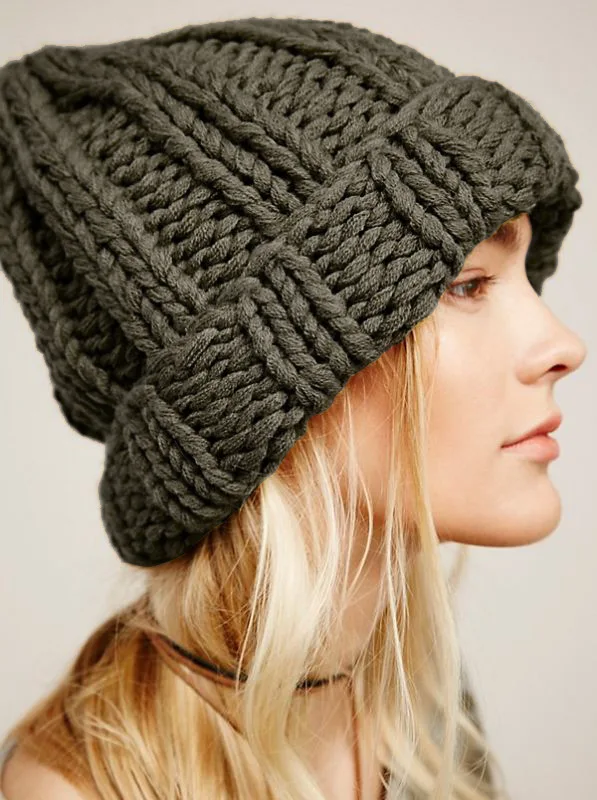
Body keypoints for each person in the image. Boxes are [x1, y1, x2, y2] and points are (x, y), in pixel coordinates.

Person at [0, 16, 587, 800]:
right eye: (465, 286)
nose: (562, 345)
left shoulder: (420, 712)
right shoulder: (83, 790)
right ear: (257, 390)